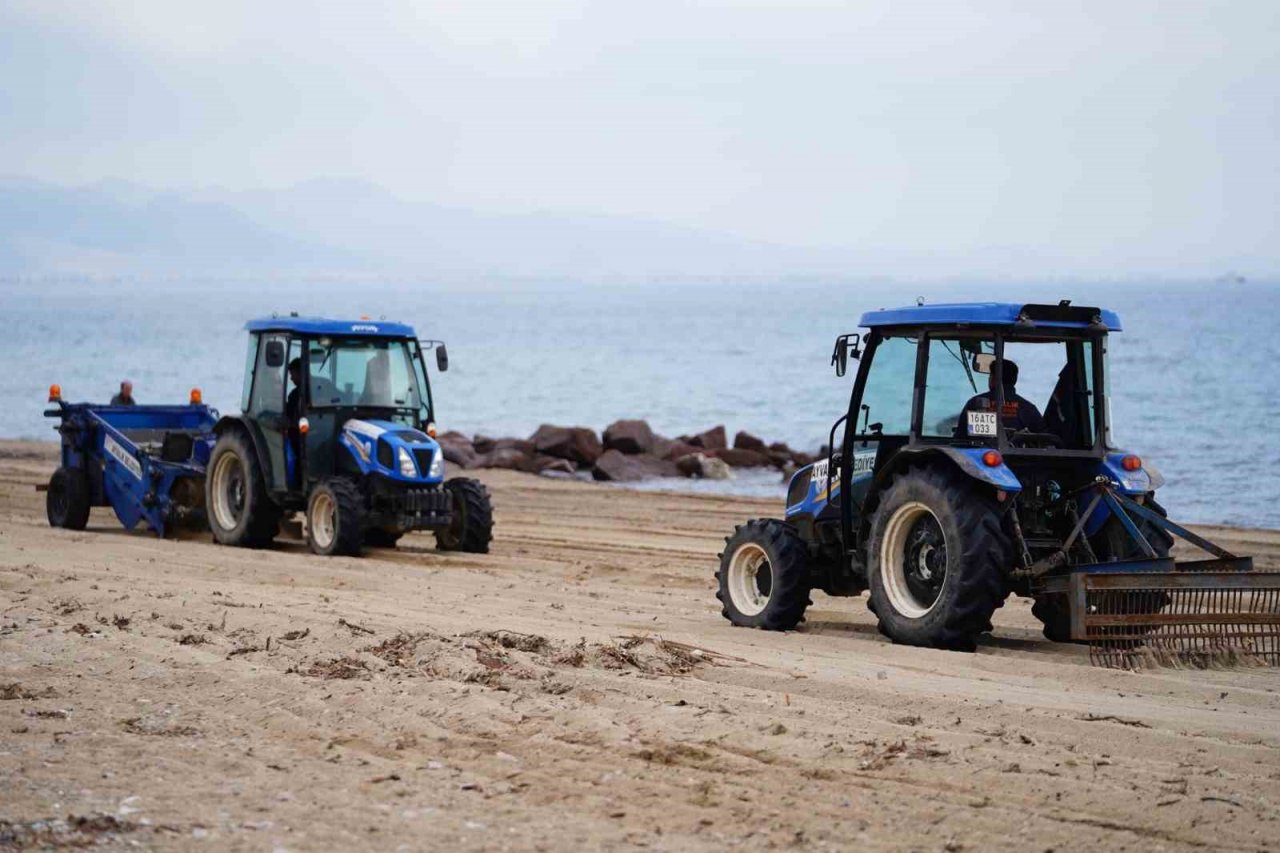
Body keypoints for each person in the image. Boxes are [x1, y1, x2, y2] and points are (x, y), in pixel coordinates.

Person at [957, 360, 1047, 437]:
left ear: (993, 379)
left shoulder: (974, 404)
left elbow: (960, 438)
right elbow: (1044, 440)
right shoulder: (1029, 409)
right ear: (1014, 380)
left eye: (990, 375)